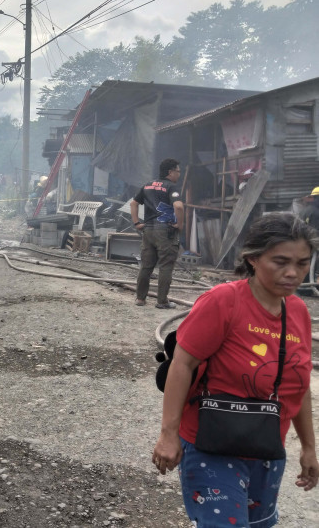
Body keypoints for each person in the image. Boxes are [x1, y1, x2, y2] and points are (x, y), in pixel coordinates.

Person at [152, 212, 318, 527]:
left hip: (266, 448)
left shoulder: (297, 312)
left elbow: (298, 385)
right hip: (210, 445)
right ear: (253, 258)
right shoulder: (223, 301)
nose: (293, 273)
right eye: (280, 262)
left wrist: (309, 448)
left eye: (302, 263)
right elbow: (182, 365)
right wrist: (168, 434)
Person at [130, 158, 184, 309]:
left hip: (148, 230)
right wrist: (180, 224)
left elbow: (133, 203)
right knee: (165, 266)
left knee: (146, 266)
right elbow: (179, 206)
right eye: (178, 171)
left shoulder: (147, 185)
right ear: (170, 172)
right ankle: (162, 301)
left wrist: (137, 223)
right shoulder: (171, 187)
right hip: (165, 232)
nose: (179, 174)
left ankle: (140, 299)